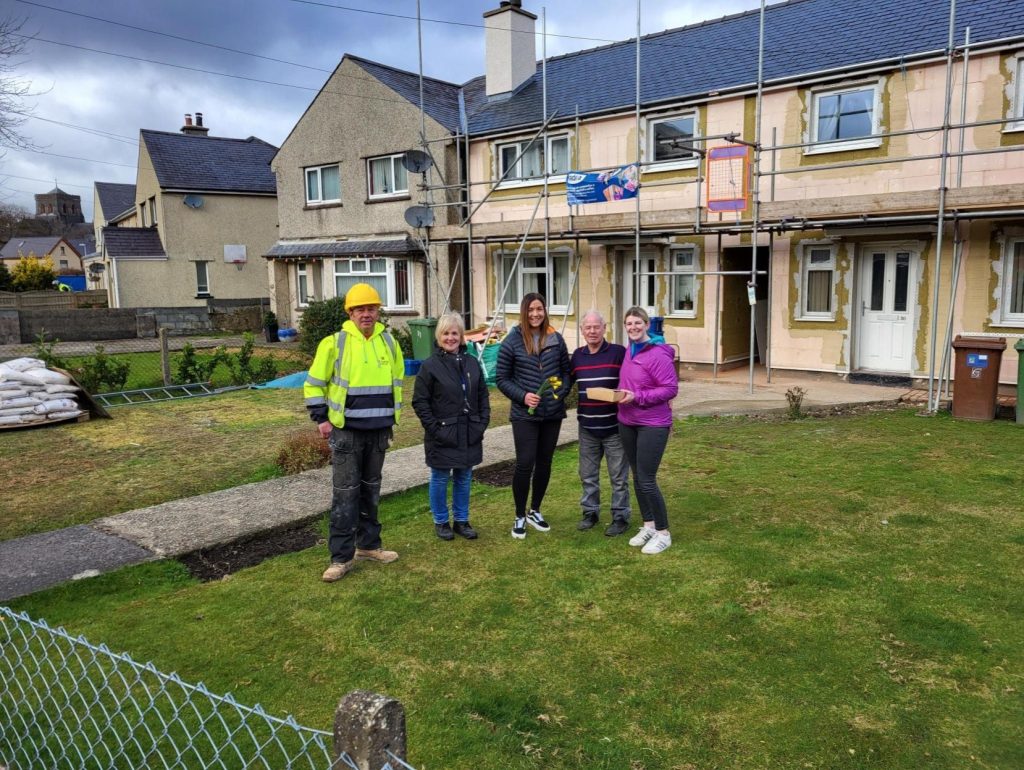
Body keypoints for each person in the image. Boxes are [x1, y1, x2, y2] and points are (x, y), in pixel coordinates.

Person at [304, 283, 405, 582]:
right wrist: (321, 418)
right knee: (346, 495)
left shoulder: (389, 342)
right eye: (360, 309)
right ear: (350, 312)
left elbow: (397, 380)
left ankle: (369, 546)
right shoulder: (334, 343)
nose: (367, 314)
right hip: (346, 432)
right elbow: (313, 384)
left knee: (371, 491)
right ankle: (340, 557)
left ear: (378, 311)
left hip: (379, 431)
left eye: (371, 308)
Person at [496, 292, 571, 539]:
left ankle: (535, 510)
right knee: (525, 463)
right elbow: (502, 379)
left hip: (552, 413)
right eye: (531, 310)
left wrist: (561, 393)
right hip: (524, 415)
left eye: (539, 309)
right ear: (524, 312)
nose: (535, 314)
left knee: (545, 463)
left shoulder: (555, 339)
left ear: (545, 310)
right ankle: (519, 514)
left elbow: (566, 372)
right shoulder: (512, 341)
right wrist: (523, 396)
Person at [412, 313, 490, 541]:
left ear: (461, 336)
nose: (450, 338)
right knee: (440, 477)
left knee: (464, 477)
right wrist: (436, 429)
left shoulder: (472, 362)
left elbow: (483, 396)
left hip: (469, 431)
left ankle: (462, 521)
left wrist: (482, 423)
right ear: (438, 336)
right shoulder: (430, 366)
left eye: (454, 333)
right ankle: (441, 521)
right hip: (443, 434)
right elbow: (420, 401)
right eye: (446, 333)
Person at [617, 306, 679, 554]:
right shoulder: (629, 351)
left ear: (646, 325)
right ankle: (649, 525)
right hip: (627, 422)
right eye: (629, 324)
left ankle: (664, 533)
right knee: (637, 476)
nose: (633, 327)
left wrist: (637, 397)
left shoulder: (658, 353)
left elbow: (670, 389)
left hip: (652, 424)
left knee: (646, 479)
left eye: (637, 323)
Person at [569, 310, 631, 536]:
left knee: (619, 477)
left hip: (614, 426)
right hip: (587, 427)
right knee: (587, 475)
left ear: (605, 328)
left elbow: (631, 380)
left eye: (596, 327)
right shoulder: (577, 356)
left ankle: (621, 516)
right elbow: (566, 383)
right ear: (582, 331)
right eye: (588, 327)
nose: (592, 331)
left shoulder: (617, 353)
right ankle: (590, 512)